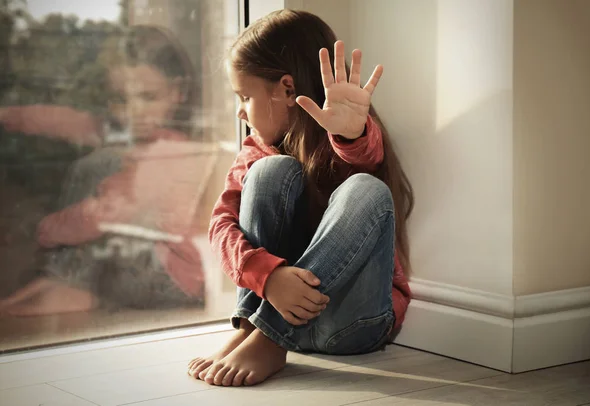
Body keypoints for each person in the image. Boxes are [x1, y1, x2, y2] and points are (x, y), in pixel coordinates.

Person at [187, 9, 414, 387]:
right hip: (277, 307)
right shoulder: (255, 151)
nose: (241, 111)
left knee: (367, 189)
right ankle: (252, 329)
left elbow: (366, 160)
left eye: (245, 96)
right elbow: (220, 225)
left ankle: (268, 336)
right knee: (269, 172)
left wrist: (350, 136)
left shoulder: (351, 138)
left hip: (348, 324)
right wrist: (270, 276)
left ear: (287, 89)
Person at [0, 25, 213, 316]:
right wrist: (8, 115)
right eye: (120, 100)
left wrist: (44, 229)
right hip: (153, 266)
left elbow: (104, 213)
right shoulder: (131, 135)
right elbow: (70, 121)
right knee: (97, 164)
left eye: (148, 98)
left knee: (95, 171)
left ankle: (72, 290)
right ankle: (52, 284)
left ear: (178, 92)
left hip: (170, 281)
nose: (132, 112)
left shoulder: (169, 151)